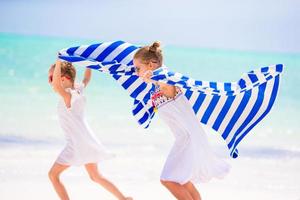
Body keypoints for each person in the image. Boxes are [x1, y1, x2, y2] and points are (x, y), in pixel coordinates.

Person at [133, 42, 230, 200]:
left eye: (138, 68)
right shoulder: (156, 86)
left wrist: (154, 78)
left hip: (189, 139)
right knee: (182, 181)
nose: (136, 73)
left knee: (168, 179)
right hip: (183, 139)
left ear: (151, 65)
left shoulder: (166, 81)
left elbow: (165, 84)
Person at [47, 60, 132, 200]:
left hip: (76, 144)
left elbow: (57, 86)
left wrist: (57, 61)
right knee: (95, 176)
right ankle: (123, 198)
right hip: (86, 140)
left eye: (51, 77)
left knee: (53, 175)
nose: (50, 82)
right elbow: (86, 79)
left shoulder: (68, 95)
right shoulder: (78, 90)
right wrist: (89, 62)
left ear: (64, 78)